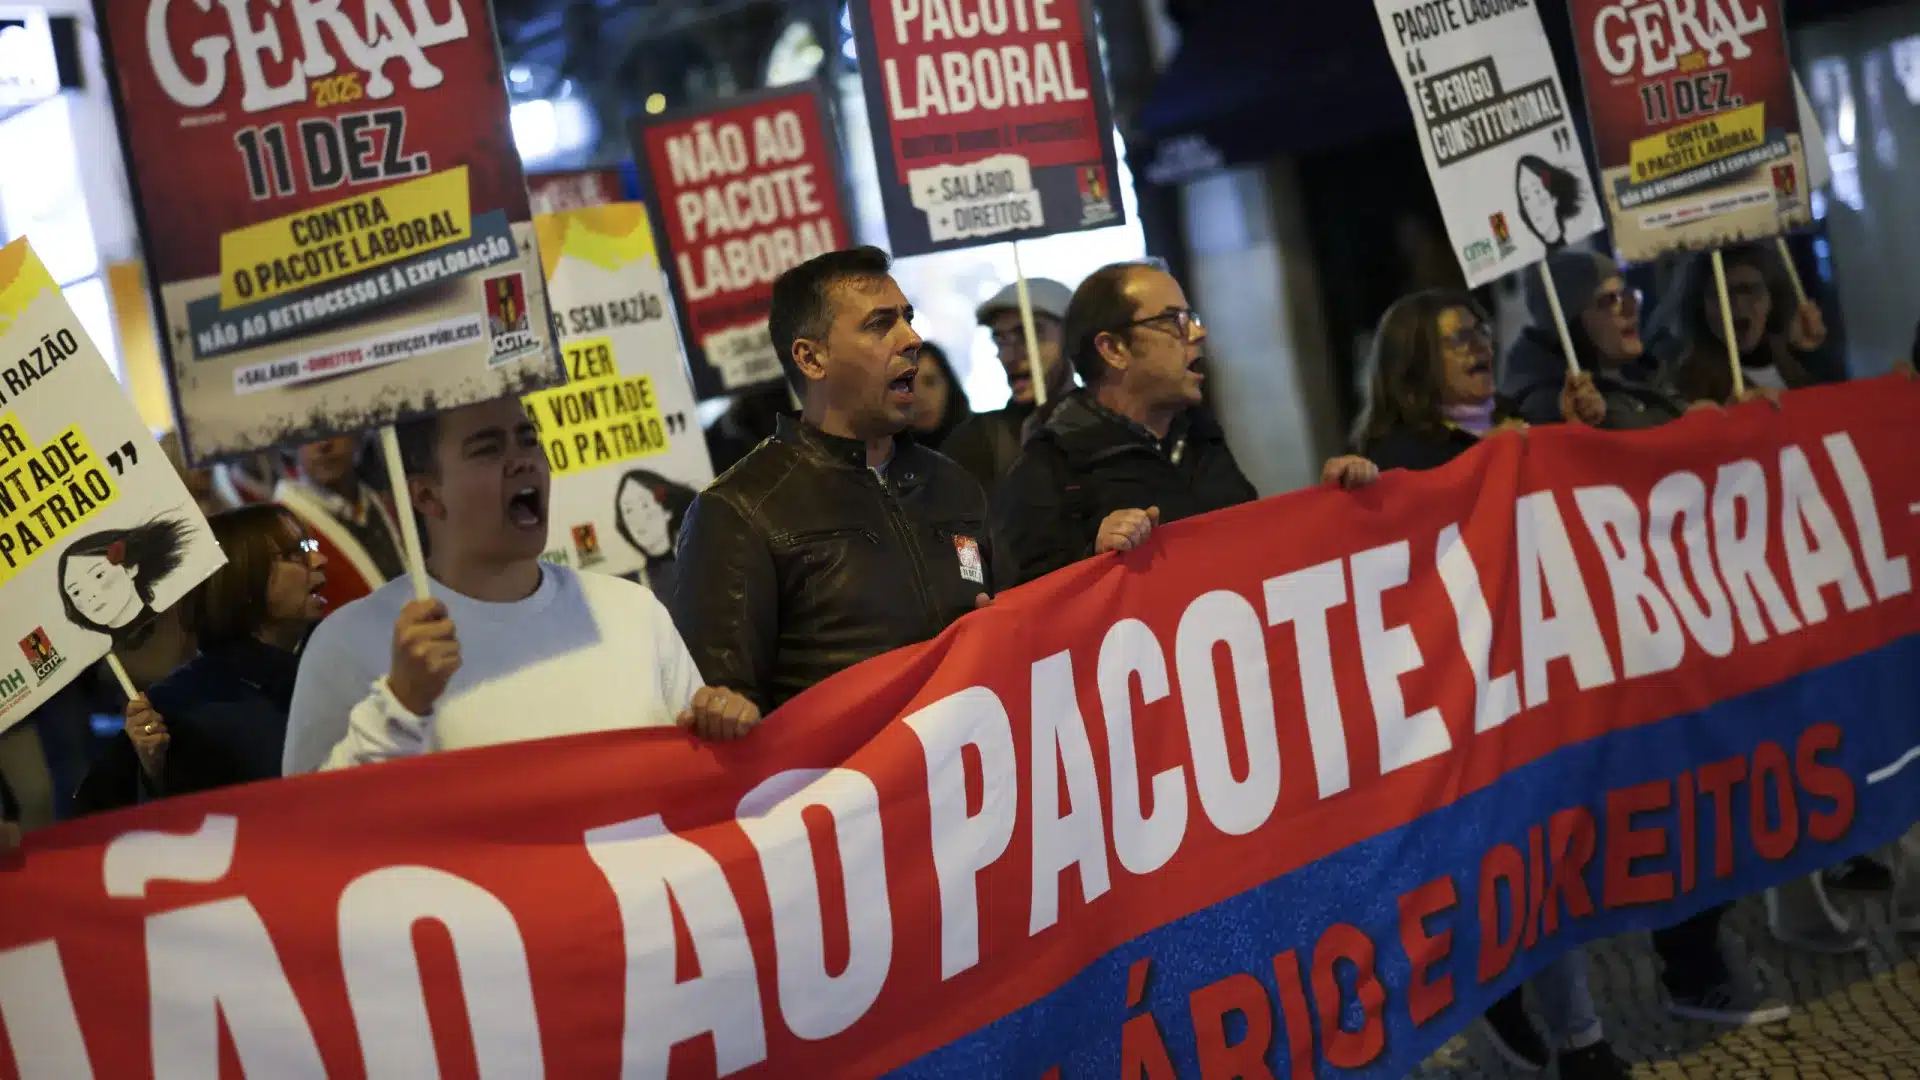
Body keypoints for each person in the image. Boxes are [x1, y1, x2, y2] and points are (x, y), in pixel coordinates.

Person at [1353, 289, 1628, 1080]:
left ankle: (1580, 1037)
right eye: (1454, 340)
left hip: (1536, 675)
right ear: (1414, 362)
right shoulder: (1397, 455)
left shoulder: (1525, 423)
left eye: (1480, 331)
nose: (1478, 346)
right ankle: (1509, 1007)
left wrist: (1582, 440)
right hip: (1461, 697)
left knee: (1544, 850)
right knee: (1499, 860)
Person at [282, 397, 758, 774]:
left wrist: (721, 727)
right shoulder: (349, 643)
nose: (522, 461)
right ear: (426, 494)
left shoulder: (632, 610)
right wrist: (401, 705)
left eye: (527, 439)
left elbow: (698, 783)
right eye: (488, 448)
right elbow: (310, 837)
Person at [667, 246, 1000, 713]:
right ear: (811, 359)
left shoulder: (954, 484)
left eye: (907, 317)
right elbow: (715, 711)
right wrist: (727, 709)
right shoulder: (739, 512)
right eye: (880, 324)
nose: (911, 338)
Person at [991, 259, 1378, 588]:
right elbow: (1027, 612)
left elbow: (1255, 552)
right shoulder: (1050, 465)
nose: (1198, 333)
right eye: (1174, 321)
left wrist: (1330, 504)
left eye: (1190, 318)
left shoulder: (1199, 437)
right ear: (1114, 349)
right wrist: (1093, 556)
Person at [90, 506, 330, 804]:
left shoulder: (335, 665)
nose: (320, 561)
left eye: (310, 547)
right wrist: (155, 769)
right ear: (242, 580)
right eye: (293, 555)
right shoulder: (182, 707)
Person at [940, 277, 1075, 497]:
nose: (1009, 356)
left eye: (1029, 335)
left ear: (1072, 337)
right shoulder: (975, 442)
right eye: (1001, 340)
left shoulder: (1108, 429)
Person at [1652, 243, 1835, 403]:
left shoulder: (1794, 365)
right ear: (1700, 307)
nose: (1737, 306)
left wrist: (1811, 355)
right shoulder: (1684, 384)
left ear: (1772, 298)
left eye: (1749, 290)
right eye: (1721, 294)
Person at [274, 434, 405, 613]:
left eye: (333, 428)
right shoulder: (282, 529)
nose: (324, 443)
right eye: (308, 432)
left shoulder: (386, 505)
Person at [57, 518, 195, 647]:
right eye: (76, 592)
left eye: (99, 575)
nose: (90, 595)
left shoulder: (184, 621)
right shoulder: (104, 663)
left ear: (130, 568)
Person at [611, 469, 698, 592]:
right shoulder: (624, 587)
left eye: (644, 505)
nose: (638, 517)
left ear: (667, 509)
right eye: (628, 510)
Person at [909, 341, 972, 448]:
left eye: (930, 382)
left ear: (948, 384)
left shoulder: (985, 439)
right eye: (908, 387)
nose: (920, 397)